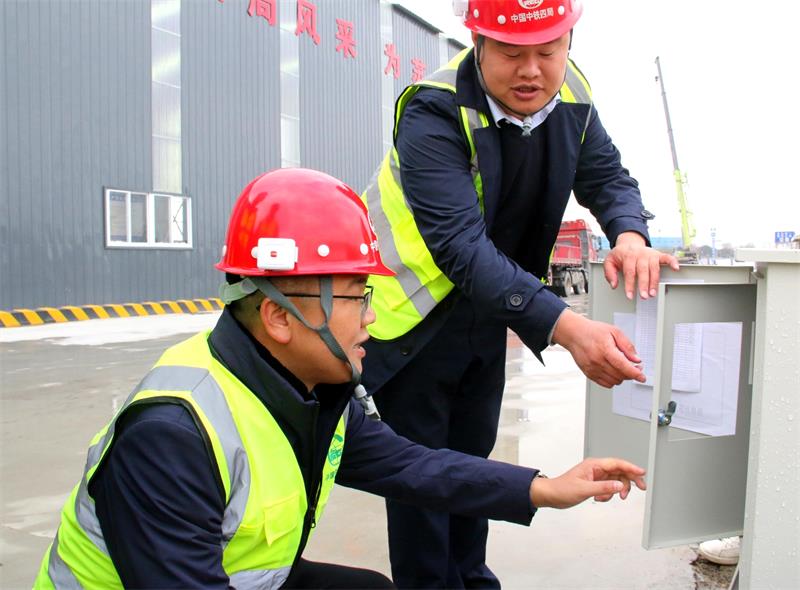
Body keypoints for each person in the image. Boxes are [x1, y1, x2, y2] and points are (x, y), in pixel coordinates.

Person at [34, 168, 647, 589]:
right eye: (357, 296)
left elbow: (417, 467)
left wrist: (546, 487)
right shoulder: (172, 436)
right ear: (279, 316)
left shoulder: (312, 390)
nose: (373, 318)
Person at [359, 0, 680, 587]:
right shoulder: (434, 110)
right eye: (511, 52)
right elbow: (460, 246)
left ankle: (472, 578)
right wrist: (566, 327)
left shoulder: (573, 95)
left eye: (548, 51)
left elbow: (607, 176)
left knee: (473, 467)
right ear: (478, 42)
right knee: (424, 485)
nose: (531, 70)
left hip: (486, 314)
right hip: (411, 323)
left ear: (568, 43)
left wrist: (631, 236)